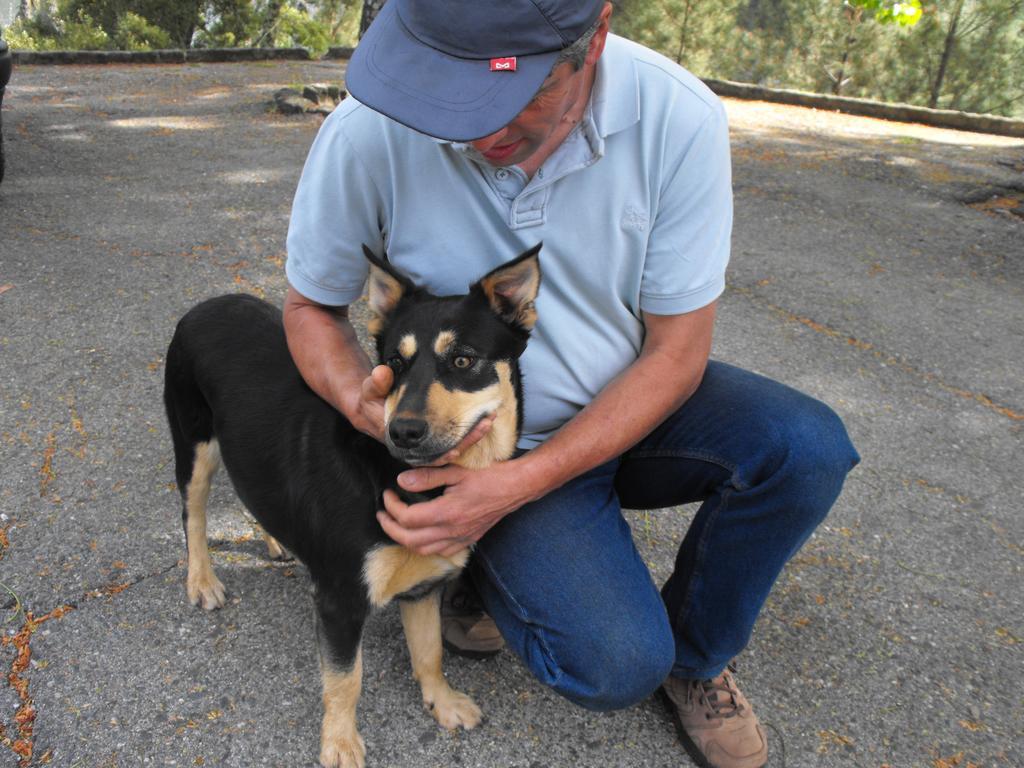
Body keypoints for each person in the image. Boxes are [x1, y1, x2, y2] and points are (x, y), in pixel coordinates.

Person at [283, 2, 860, 766]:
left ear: (595, 38)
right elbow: (310, 307)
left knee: (806, 445)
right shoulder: (367, 130)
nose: (480, 132)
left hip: (630, 405)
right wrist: (361, 398)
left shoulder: (677, 117)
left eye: (515, 93)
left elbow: (677, 353)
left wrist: (520, 484)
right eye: (446, 91)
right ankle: (466, 564)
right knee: (613, 663)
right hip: (463, 450)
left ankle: (696, 658)